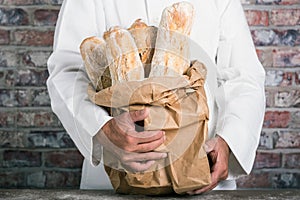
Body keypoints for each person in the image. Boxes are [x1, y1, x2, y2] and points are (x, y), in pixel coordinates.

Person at [47, 0, 266, 195]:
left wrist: (229, 141)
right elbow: (67, 70)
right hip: (114, 180)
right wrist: (100, 129)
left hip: (201, 171)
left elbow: (243, 76)